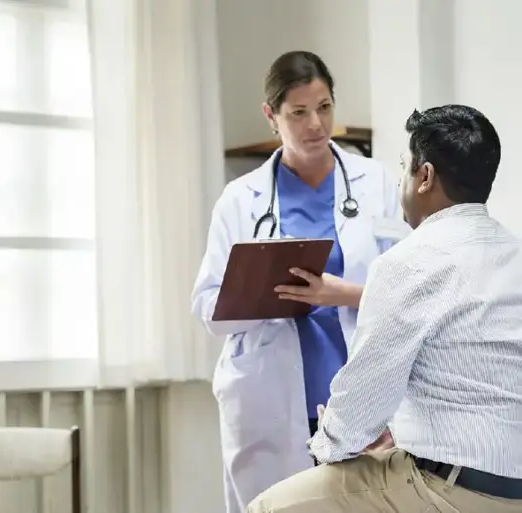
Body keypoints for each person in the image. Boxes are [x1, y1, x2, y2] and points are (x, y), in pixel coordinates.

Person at [246, 104, 522, 513]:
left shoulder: (407, 261)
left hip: (446, 488)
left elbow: (358, 406)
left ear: (424, 176)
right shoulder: (513, 253)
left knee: (269, 507)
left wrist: (327, 445)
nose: (400, 183)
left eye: (404, 168)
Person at [190, 50, 409, 513]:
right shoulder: (239, 200)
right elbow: (207, 305)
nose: (316, 124)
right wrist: (261, 293)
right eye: (299, 113)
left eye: (325, 107)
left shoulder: (376, 183)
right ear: (272, 116)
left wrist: (340, 294)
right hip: (269, 394)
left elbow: (408, 289)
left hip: (354, 390)